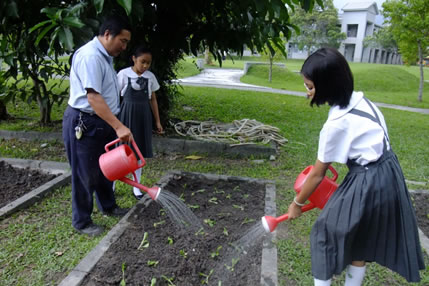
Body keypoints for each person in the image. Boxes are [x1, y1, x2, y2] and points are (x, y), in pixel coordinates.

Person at [287, 47, 425, 285]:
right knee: (359, 238)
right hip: (389, 172)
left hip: (368, 178)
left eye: (310, 86)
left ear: (327, 86)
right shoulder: (360, 100)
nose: (306, 91)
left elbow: (317, 174)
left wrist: (296, 204)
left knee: (324, 235)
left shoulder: (336, 124)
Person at [62, 15, 133, 236]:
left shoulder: (105, 56)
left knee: (106, 168)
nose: (124, 46)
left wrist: (114, 123)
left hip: (102, 120)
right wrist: (119, 126)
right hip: (86, 121)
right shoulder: (91, 56)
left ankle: (108, 206)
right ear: (107, 34)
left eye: (127, 42)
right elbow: (93, 97)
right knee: (85, 172)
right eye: (122, 40)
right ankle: (82, 222)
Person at [116, 46, 163, 200]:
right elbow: (115, 97)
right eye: (142, 62)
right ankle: (112, 186)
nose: (145, 66)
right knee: (121, 151)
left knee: (139, 151)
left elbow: (153, 99)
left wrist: (157, 121)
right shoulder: (123, 74)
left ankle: (137, 189)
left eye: (148, 63)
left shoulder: (150, 77)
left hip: (144, 117)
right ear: (134, 59)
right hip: (126, 116)